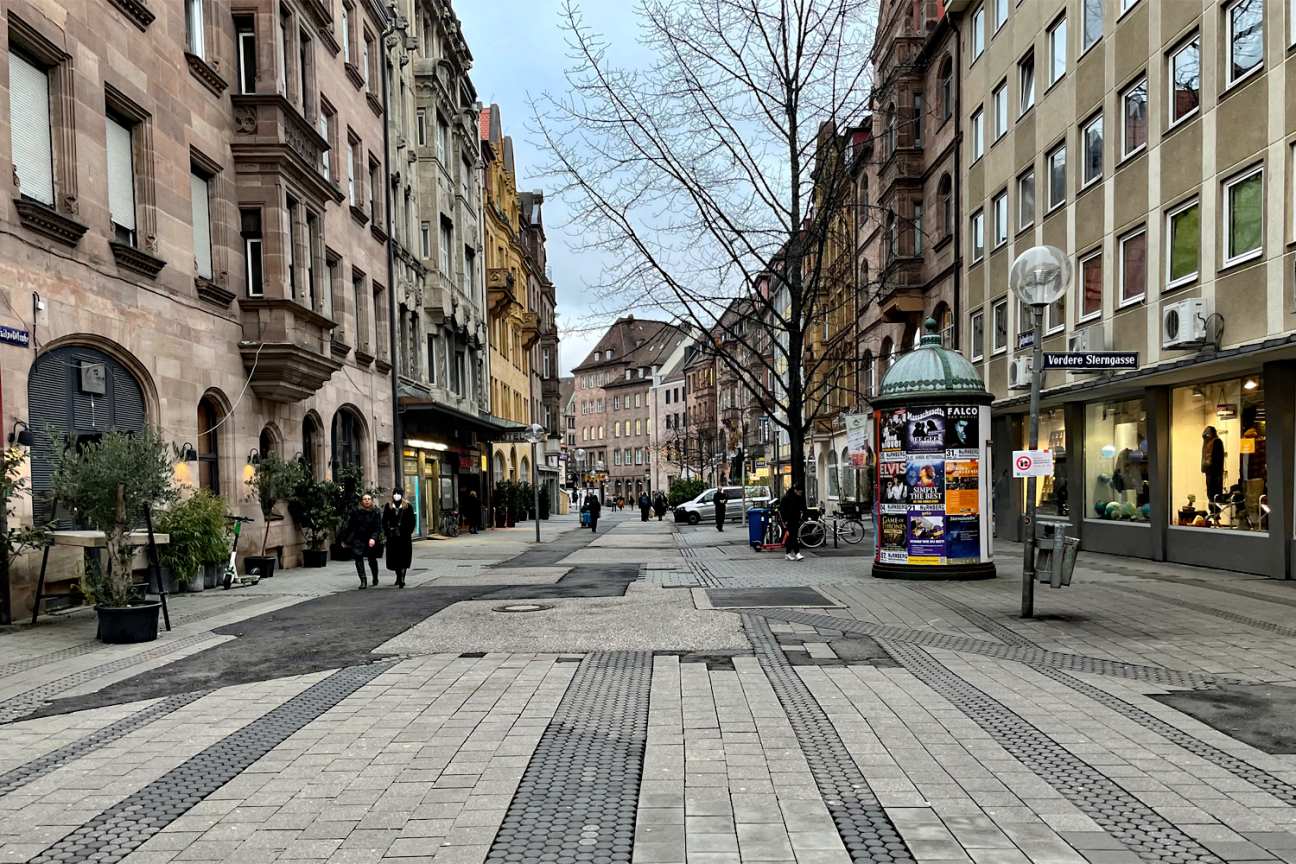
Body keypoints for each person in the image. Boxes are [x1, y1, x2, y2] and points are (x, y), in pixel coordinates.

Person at [343, 493, 383, 588]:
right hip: (358, 538)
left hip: (370, 539)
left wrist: (373, 538)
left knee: (372, 559)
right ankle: (363, 580)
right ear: (361, 501)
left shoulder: (375, 512)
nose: (367, 501)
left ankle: (375, 577)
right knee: (358, 558)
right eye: (365, 499)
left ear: (371, 501)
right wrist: (345, 540)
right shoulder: (355, 511)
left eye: (369, 499)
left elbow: (377, 527)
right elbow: (350, 527)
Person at [382, 491, 416, 587]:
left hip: (405, 537)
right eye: (395, 493)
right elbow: (384, 520)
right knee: (395, 557)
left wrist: (409, 531)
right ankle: (398, 576)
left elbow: (412, 520)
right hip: (393, 537)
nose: (396, 496)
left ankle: (402, 577)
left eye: (398, 493)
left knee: (404, 556)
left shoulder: (408, 506)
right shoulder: (388, 506)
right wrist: (387, 532)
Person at [779, 485, 806, 561]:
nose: (800, 494)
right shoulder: (786, 498)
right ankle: (797, 553)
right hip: (789, 520)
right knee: (793, 536)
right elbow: (782, 510)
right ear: (796, 490)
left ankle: (788, 553)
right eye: (799, 492)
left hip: (795, 519)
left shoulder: (797, 497)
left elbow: (802, 507)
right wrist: (785, 520)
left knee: (791, 537)